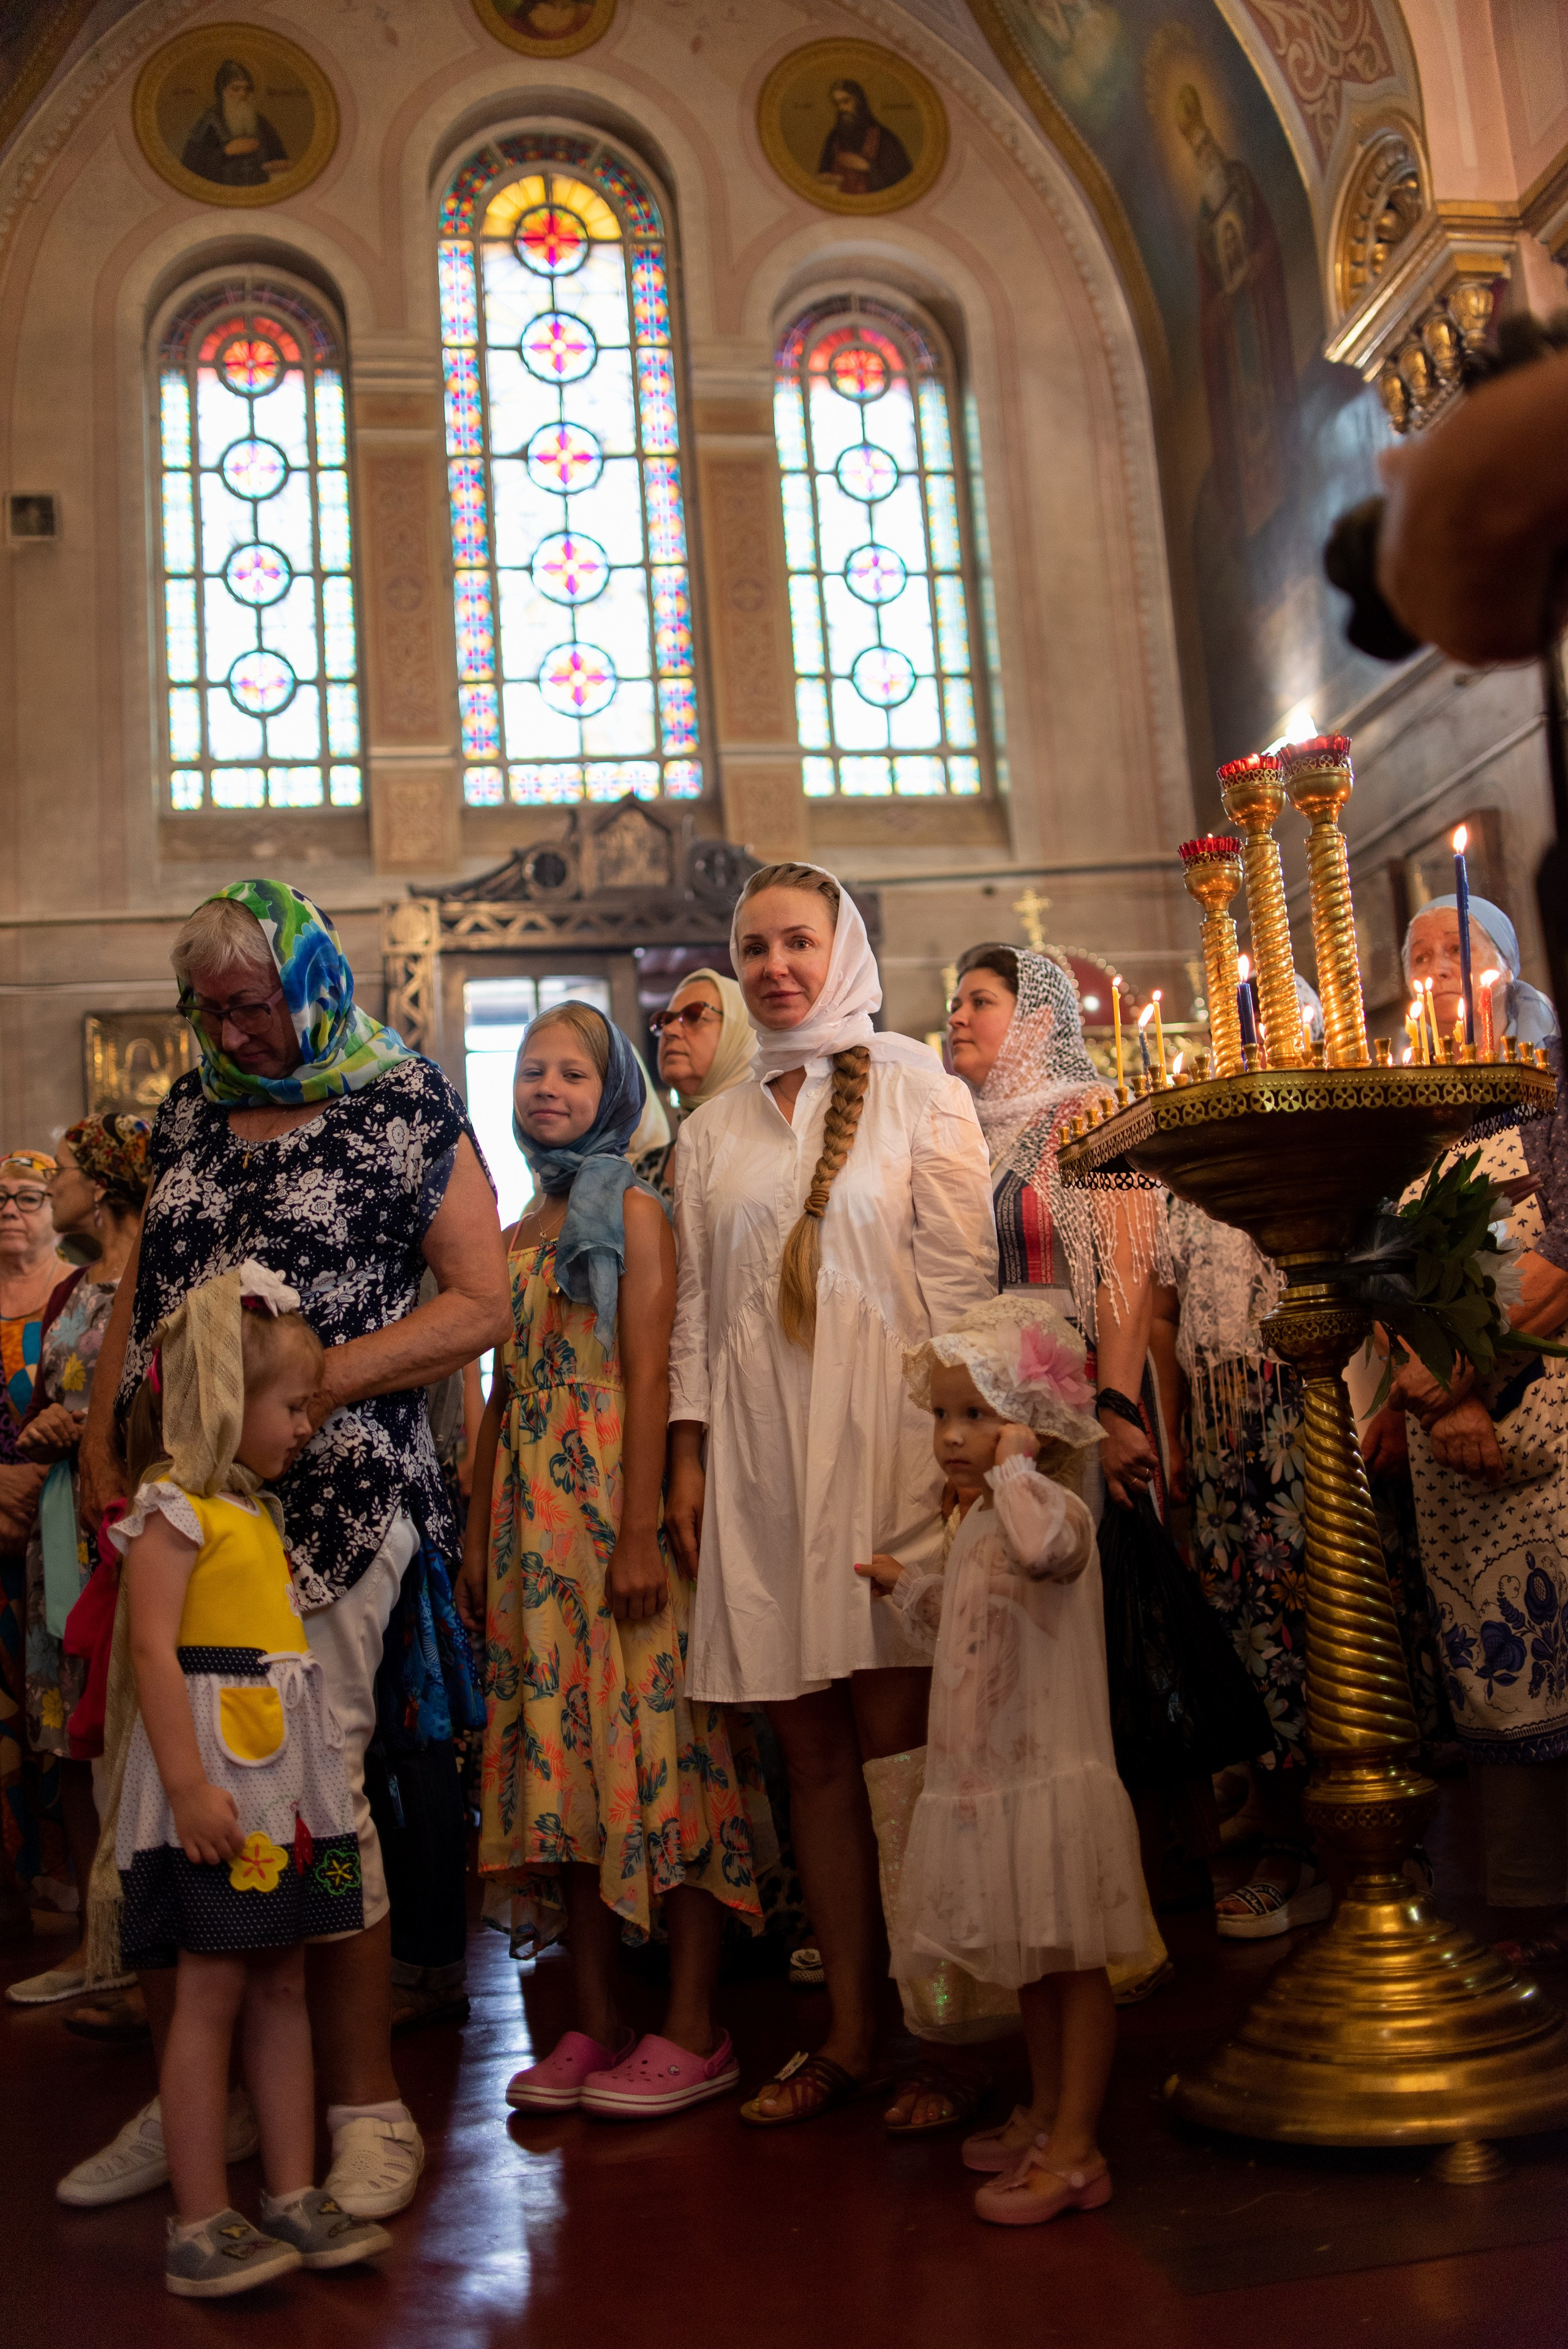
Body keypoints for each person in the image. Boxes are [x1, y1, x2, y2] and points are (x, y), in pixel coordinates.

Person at [68, 880, 508, 2221]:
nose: (233, 1031)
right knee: (162, 1792)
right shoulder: (193, 1102)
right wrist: (102, 1432)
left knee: (311, 1794)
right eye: (209, 1008)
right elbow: (147, 1275)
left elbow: (479, 1302)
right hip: (180, 1503)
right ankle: (206, 2094)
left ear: (309, 980)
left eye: (250, 1004)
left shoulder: (403, 1099)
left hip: (331, 1501)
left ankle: (357, 2097)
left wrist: (317, 1388)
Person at [666, 861, 997, 2124]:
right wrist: (688, 1462)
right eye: (752, 949)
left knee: (901, 1749)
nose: (773, 968)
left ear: (841, 948)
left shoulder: (916, 1087)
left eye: (797, 942)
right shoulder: (710, 1131)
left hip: (890, 1456)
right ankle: (851, 2034)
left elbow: (963, 1301)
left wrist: (970, 1465)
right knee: (806, 1754)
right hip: (759, 1462)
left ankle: (944, 2037)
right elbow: (697, 1317)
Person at [461, 1001, 771, 2116]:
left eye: (573, 1075)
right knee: (559, 1764)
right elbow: (504, 1395)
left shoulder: (636, 1210)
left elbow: (652, 1377)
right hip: (529, 1527)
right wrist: (479, 1524)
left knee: (661, 1750)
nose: (547, 1087)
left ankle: (696, 2025)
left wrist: (640, 1530)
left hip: (613, 1513)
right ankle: (594, 2021)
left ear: (614, 1094)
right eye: (532, 1071)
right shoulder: (513, 1237)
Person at [111, 1262, 391, 2296]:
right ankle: (199, 2218)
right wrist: (186, 1789)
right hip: (218, 1786)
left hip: (281, 1794)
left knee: (284, 1982)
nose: (303, 1425)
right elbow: (151, 1659)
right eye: (289, 1404)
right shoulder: (171, 1517)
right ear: (225, 1398)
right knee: (211, 1991)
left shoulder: (254, 1519)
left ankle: (290, 2192)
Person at [858, 1295, 1145, 2223]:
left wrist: (1019, 1467)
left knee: (1073, 1964)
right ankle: (1048, 2108)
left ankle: (1077, 2147)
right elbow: (965, 1620)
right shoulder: (981, 1518)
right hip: (994, 1783)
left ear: (1029, 1421)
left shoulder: (1050, 1508)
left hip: (1051, 1776)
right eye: (942, 1414)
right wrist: (911, 1588)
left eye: (975, 1413)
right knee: (1030, 1961)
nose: (949, 1435)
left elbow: (1047, 1555)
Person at [7, 1117, 150, 2006]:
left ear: (100, 1185)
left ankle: (144, 1933)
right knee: (66, 1732)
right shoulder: (69, 1295)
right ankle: (100, 1939)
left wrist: (92, 1426)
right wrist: (41, 1429)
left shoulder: (149, 1279)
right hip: (55, 1518)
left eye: (59, 1173)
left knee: (129, 1727)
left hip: (120, 1515)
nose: (51, 1186)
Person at [946, 945, 1166, 1514]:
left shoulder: (1096, 1113)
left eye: (980, 1001)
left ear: (1037, 1021)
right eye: (954, 1003)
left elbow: (1128, 1268)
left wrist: (1117, 1408)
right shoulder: (959, 1129)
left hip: (1086, 1393)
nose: (957, 1017)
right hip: (991, 1403)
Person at [0, 1150, 64, 1938]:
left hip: (56, 1527)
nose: (11, 1208)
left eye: (28, 1195)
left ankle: (64, 1876)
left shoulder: (83, 1297)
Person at [636, 968, 756, 1196]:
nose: (670, 1030)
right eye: (665, 1020)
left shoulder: (772, 1152)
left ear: (740, 1035)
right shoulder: (645, 1168)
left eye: (693, 1015)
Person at [1403, 895, 1558, 1050]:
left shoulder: (1557, 1067)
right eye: (1421, 958)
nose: (1437, 969)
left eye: (1457, 949)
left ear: (1505, 965)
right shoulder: (1401, 1073)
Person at [179, 61, 289, 189]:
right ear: (223, 91)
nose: (243, 94)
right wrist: (226, 151)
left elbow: (279, 156)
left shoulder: (260, 122)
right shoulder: (210, 121)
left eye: (247, 89)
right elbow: (190, 164)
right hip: (221, 193)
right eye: (236, 89)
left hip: (259, 191)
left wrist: (278, 164)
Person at [815, 79, 912, 196]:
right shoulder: (834, 136)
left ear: (859, 101)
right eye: (837, 103)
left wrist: (867, 167)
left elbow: (902, 182)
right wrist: (826, 177)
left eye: (845, 101)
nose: (841, 108)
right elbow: (823, 171)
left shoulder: (885, 137)